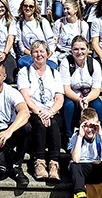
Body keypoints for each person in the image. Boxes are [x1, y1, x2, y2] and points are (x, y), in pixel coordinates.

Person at [17, 41, 64, 181]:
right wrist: (39, 111)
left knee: (54, 123)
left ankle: (54, 164)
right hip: (33, 111)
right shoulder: (24, 72)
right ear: (31, 55)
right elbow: (25, 96)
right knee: (39, 122)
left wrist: (50, 111)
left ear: (47, 54)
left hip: (52, 111)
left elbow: (59, 98)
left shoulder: (55, 73)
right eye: (36, 52)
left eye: (42, 51)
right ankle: (39, 162)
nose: (39, 54)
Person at [60, 36, 102, 142]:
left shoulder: (94, 64)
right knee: (68, 105)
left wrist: (87, 99)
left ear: (88, 49)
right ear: (71, 50)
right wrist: (78, 99)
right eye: (76, 49)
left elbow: (96, 89)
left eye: (82, 49)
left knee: (98, 106)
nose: (79, 52)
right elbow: (65, 88)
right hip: (72, 94)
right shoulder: (65, 63)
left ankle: (98, 136)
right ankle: (69, 137)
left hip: (89, 94)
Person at [69, 108, 102, 198]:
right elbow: (75, 159)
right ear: (80, 124)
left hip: (96, 169)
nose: (89, 130)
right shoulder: (76, 137)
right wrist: (80, 136)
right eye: (86, 126)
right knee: (74, 165)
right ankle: (80, 193)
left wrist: (101, 135)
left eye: (92, 126)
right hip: (82, 172)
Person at [15, 0, 55, 68]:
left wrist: (46, 55)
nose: (27, 8)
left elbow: (51, 42)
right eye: (25, 6)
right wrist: (32, 54)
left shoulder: (42, 22)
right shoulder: (19, 24)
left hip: (45, 55)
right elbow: (21, 45)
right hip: (29, 56)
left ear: (35, 8)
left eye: (31, 6)